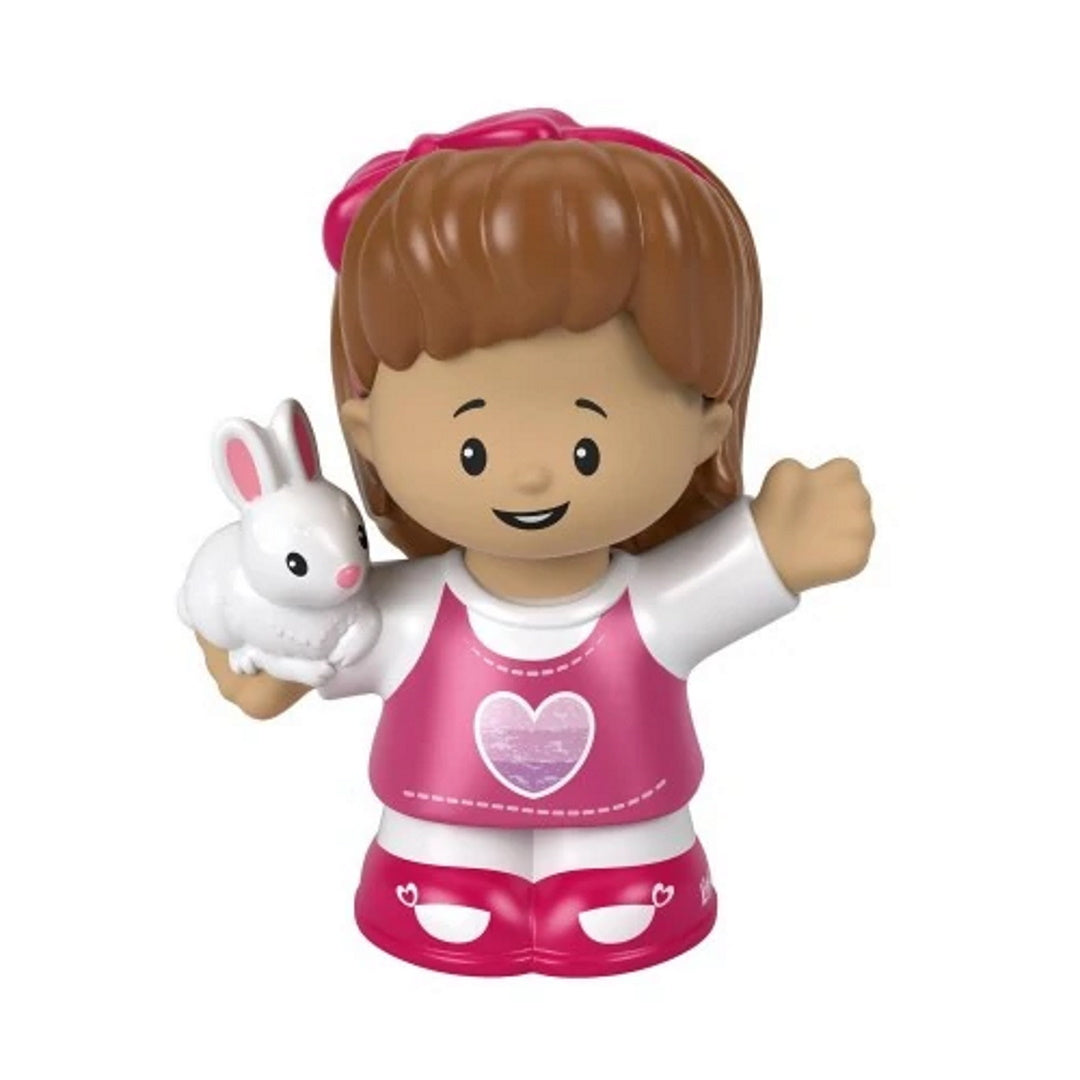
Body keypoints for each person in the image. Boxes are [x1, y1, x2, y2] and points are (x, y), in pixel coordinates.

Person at [195, 109, 874, 976]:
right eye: (473, 448)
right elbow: (312, 647)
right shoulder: (406, 608)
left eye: (586, 445)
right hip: (436, 826)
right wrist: (251, 654)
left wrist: (784, 545)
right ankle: (450, 880)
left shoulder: (652, 601)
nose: (528, 477)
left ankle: (617, 882)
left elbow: (738, 574)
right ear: (367, 430)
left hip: (632, 823)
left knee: (621, 888)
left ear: (708, 426)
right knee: (444, 883)